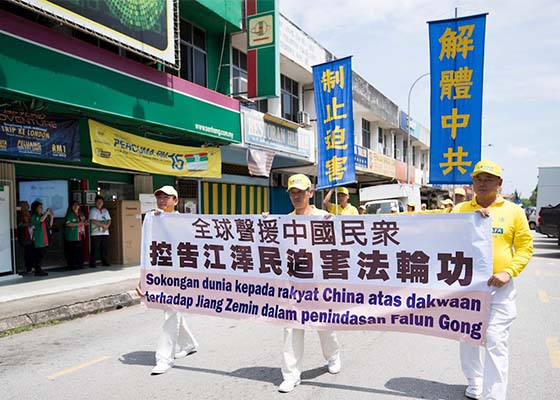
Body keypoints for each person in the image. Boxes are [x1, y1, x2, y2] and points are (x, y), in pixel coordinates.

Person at [452, 160, 533, 400]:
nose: (482, 183)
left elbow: (525, 247)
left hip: (500, 288)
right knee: (468, 337)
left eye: (488, 179)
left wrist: (509, 271)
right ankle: (475, 382)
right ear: (472, 182)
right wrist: (470, 223)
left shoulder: (514, 211)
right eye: (478, 179)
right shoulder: (460, 210)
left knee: (496, 340)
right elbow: (444, 237)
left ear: (499, 183)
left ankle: (494, 395)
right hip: (467, 287)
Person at [278, 174, 341, 393]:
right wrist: (264, 224)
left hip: (319, 284)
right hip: (295, 283)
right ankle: (291, 374)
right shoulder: (284, 221)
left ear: (310, 193)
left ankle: (333, 356)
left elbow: (340, 246)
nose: (296, 196)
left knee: (324, 326)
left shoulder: (323, 217)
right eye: (292, 193)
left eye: (300, 192)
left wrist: (333, 226)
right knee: (291, 328)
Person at [137, 185, 198, 375]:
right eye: (159, 197)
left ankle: (164, 358)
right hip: (161, 275)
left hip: (180, 276)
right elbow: (147, 250)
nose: (162, 201)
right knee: (172, 310)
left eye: (166, 197)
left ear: (175, 201)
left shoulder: (183, 221)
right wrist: (143, 279)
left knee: (170, 311)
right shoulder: (153, 220)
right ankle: (188, 344)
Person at [30, 200, 53, 276]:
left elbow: (50, 225)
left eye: (42, 207)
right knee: (38, 255)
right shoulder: (35, 216)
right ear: (35, 208)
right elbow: (40, 220)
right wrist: (46, 213)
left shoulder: (43, 216)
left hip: (44, 238)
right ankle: (37, 270)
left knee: (42, 254)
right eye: (40, 207)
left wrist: (51, 216)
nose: (41, 208)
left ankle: (39, 269)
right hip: (38, 239)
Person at [89, 195, 111, 268]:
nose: (100, 203)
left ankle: (105, 262)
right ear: (95, 202)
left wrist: (107, 226)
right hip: (96, 233)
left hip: (105, 232)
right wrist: (103, 225)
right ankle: (92, 263)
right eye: (98, 202)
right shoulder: (93, 210)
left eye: (101, 202)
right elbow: (93, 221)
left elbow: (109, 220)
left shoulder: (105, 211)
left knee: (105, 248)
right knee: (95, 248)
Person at [64, 201, 87, 269]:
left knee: (79, 251)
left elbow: (83, 223)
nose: (76, 206)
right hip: (71, 236)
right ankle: (72, 265)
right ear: (71, 207)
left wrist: (85, 225)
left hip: (79, 235)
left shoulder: (81, 214)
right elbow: (68, 224)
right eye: (74, 205)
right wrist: (78, 224)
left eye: (77, 205)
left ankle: (79, 264)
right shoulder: (70, 214)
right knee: (72, 252)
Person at [17, 201, 34, 274]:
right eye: (26, 205)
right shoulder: (20, 215)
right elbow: (19, 225)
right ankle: (28, 268)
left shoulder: (30, 213)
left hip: (31, 235)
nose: (28, 206)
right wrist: (28, 224)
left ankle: (31, 266)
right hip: (25, 236)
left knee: (31, 251)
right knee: (27, 252)